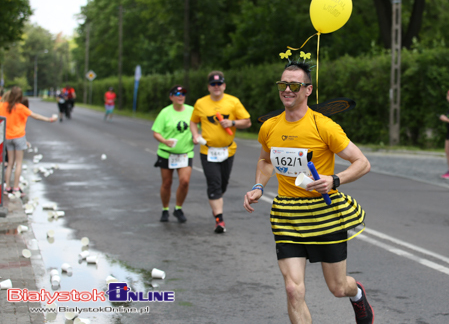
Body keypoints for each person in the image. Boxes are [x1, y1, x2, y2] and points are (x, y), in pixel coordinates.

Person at [243, 62, 374, 324]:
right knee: (293, 289)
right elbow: (266, 161)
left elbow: (362, 163)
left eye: (294, 85)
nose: (287, 90)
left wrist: (334, 180)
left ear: (308, 90)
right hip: (288, 214)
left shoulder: (324, 126)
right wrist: (258, 186)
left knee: (337, 288)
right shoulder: (269, 126)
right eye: (283, 85)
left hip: (324, 213)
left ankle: (357, 294)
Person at [190, 71, 251, 233]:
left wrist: (231, 122)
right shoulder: (201, 103)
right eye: (213, 84)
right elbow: (193, 121)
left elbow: (247, 122)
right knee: (214, 183)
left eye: (219, 84)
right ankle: (219, 220)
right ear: (209, 87)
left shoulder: (233, 102)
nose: (216, 87)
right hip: (208, 151)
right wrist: (195, 135)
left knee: (222, 184)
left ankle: (216, 201)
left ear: (224, 85)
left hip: (227, 151)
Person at [0, 86, 57, 196]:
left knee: (10, 163)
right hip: (19, 137)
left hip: (7, 137)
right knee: (19, 163)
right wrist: (49, 119)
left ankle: (7, 187)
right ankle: (16, 187)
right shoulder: (21, 108)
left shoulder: (3, 106)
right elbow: (35, 116)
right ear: (21, 97)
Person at [151, 85, 194, 223]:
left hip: (185, 153)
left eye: (183, 93)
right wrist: (164, 141)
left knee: (184, 182)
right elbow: (156, 132)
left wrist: (196, 136)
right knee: (167, 183)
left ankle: (178, 208)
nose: (181, 96)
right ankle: (165, 209)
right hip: (166, 153)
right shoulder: (165, 112)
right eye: (177, 93)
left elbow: (198, 127)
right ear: (171, 97)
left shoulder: (192, 111)